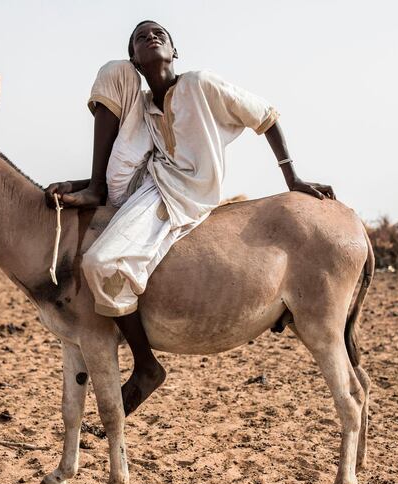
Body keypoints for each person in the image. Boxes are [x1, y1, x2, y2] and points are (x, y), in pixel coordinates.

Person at [45, 20, 334, 416]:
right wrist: (81, 182)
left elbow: (264, 116)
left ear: (174, 52)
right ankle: (94, 188)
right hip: (148, 181)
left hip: (185, 192)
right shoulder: (143, 108)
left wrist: (292, 177)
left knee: (100, 262)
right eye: (140, 37)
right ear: (136, 59)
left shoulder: (200, 84)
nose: (151, 37)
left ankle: (146, 365)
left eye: (159, 34)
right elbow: (128, 160)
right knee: (109, 71)